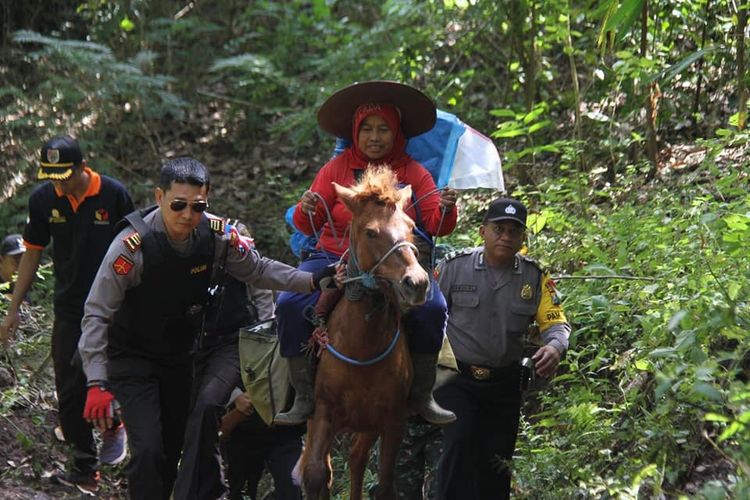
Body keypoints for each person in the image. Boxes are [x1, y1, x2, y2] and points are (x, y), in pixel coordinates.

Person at [77, 157, 334, 500]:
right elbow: (97, 313)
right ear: (159, 197)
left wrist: (313, 280)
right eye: (178, 205)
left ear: (207, 198)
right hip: (132, 359)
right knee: (149, 448)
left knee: (171, 448)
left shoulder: (217, 236)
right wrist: (96, 381)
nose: (187, 214)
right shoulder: (131, 247)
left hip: (181, 358)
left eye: (197, 206)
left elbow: (258, 271)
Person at [275, 80, 458, 426]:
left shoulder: (413, 172)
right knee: (288, 304)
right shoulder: (336, 169)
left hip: (392, 259)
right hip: (332, 254)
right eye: (367, 129)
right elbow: (304, 221)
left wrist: (447, 209)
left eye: (384, 129)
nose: (375, 137)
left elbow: (436, 223)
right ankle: (302, 395)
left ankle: (421, 394)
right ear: (355, 134)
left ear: (397, 133)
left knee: (432, 308)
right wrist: (307, 205)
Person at [0, 135, 134, 494]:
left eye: (65, 174)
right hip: (69, 305)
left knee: (94, 371)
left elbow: (136, 246)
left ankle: (113, 424)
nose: (59, 182)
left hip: (112, 304)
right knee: (68, 387)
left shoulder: (113, 194)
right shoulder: (44, 200)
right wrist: (13, 309)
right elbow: (32, 254)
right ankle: (84, 466)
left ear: (81, 166)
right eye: (52, 175)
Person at [433, 197, 572, 499]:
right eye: (499, 229)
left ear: (523, 238)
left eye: (514, 231)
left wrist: (555, 346)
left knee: (497, 462)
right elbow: (425, 313)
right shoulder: (454, 267)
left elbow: (556, 322)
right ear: (483, 231)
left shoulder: (535, 277)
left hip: (505, 384)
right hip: (457, 379)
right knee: (459, 443)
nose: (506, 236)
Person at [172, 220, 278, 500]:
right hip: (201, 355)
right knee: (201, 421)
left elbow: (266, 321)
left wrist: (254, 385)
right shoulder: (201, 273)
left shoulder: (252, 277)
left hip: (242, 359)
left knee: (216, 412)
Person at [223, 387, 305, 499]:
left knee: (290, 487)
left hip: (286, 430)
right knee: (239, 490)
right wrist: (235, 395)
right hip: (244, 431)